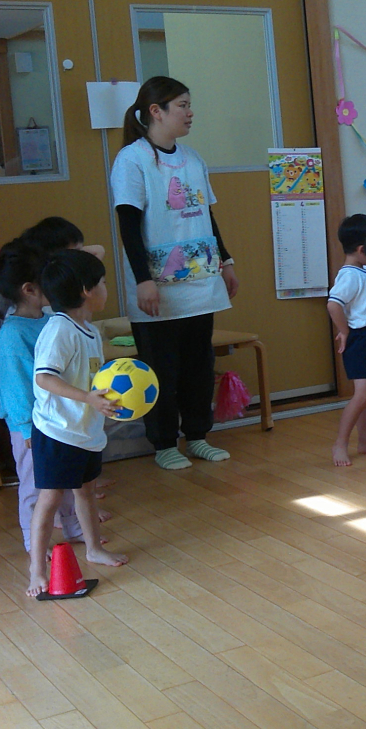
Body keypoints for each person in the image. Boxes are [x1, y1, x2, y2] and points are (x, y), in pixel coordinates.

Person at [111, 77, 237, 469]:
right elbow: (128, 224)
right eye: (182, 105)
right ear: (156, 111)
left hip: (201, 283)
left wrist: (227, 261)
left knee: (199, 366)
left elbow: (206, 216)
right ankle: (164, 443)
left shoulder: (193, 158)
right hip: (158, 289)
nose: (190, 112)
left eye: (188, 104)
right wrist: (143, 280)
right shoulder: (132, 160)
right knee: (161, 369)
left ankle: (198, 436)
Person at [26, 250, 128, 597]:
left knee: (85, 489)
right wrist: (87, 398)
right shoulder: (59, 329)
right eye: (102, 282)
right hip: (57, 431)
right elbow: (44, 378)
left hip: (84, 430)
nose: (105, 288)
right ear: (86, 290)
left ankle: (94, 548)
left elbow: (91, 377)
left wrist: (106, 401)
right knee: (50, 498)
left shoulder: (89, 330)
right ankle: (37, 571)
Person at [0, 242, 86, 551]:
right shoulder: (13, 334)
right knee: (35, 487)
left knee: (65, 480)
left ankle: (73, 527)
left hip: (56, 421)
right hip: (31, 428)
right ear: (29, 289)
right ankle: (33, 541)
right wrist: (27, 429)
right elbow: (14, 390)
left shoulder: (49, 321)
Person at [327, 214, 366, 466]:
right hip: (360, 339)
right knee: (362, 394)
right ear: (361, 250)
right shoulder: (349, 275)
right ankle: (340, 443)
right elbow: (333, 304)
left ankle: (365, 440)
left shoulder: (363, 270)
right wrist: (345, 330)